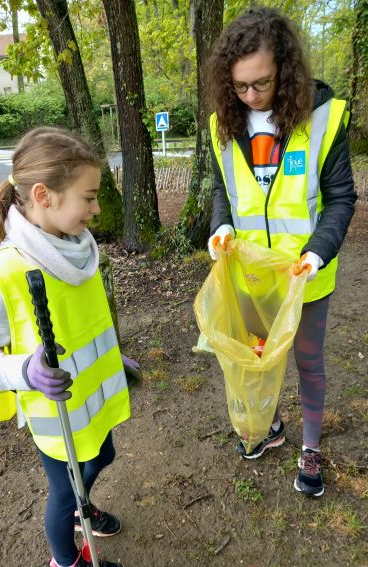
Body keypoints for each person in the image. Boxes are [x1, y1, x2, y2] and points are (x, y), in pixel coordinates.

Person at [0, 126, 135, 566]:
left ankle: (83, 508)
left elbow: (86, 321)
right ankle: (65, 559)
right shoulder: (4, 273)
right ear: (44, 195)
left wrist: (114, 358)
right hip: (55, 411)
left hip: (93, 398)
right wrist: (26, 372)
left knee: (103, 457)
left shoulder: (78, 247)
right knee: (65, 491)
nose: (97, 209)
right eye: (89, 196)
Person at [206, 7, 357, 497]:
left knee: (307, 361)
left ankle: (310, 444)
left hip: (305, 275)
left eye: (262, 84)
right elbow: (222, 191)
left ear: (286, 72)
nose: (249, 96)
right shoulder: (222, 124)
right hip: (251, 275)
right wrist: (220, 226)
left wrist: (317, 253)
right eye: (240, 87)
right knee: (257, 359)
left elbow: (340, 198)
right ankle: (267, 427)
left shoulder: (324, 119)